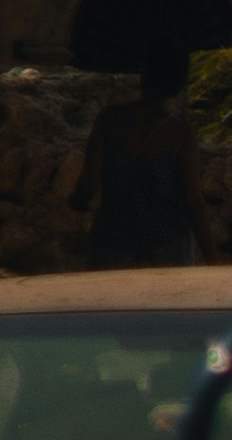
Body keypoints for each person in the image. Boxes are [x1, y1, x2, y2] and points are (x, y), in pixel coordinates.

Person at [76, 38, 215, 269]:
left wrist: (77, 201)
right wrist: (213, 259)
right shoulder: (180, 133)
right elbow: (193, 200)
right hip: (166, 246)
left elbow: (88, 183)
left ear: (144, 74)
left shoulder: (109, 119)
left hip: (113, 243)